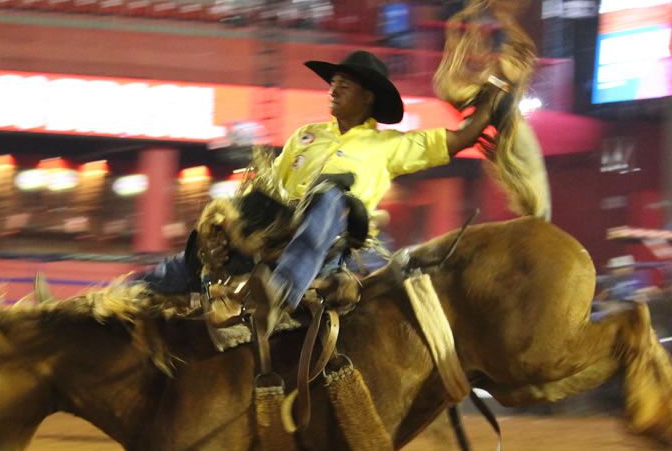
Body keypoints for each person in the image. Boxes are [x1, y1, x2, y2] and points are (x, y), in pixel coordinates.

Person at [139, 49, 504, 335]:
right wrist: (228, 225)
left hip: (329, 246)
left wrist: (494, 101)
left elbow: (461, 139)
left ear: (368, 97)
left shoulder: (390, 146)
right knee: (193, 250)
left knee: (331, 194)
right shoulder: (306, 135)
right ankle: (126, 297)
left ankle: (281, 293)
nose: (334, 88)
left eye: (345, 84)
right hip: (274, 233)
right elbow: (271, 187)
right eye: (334, 82)